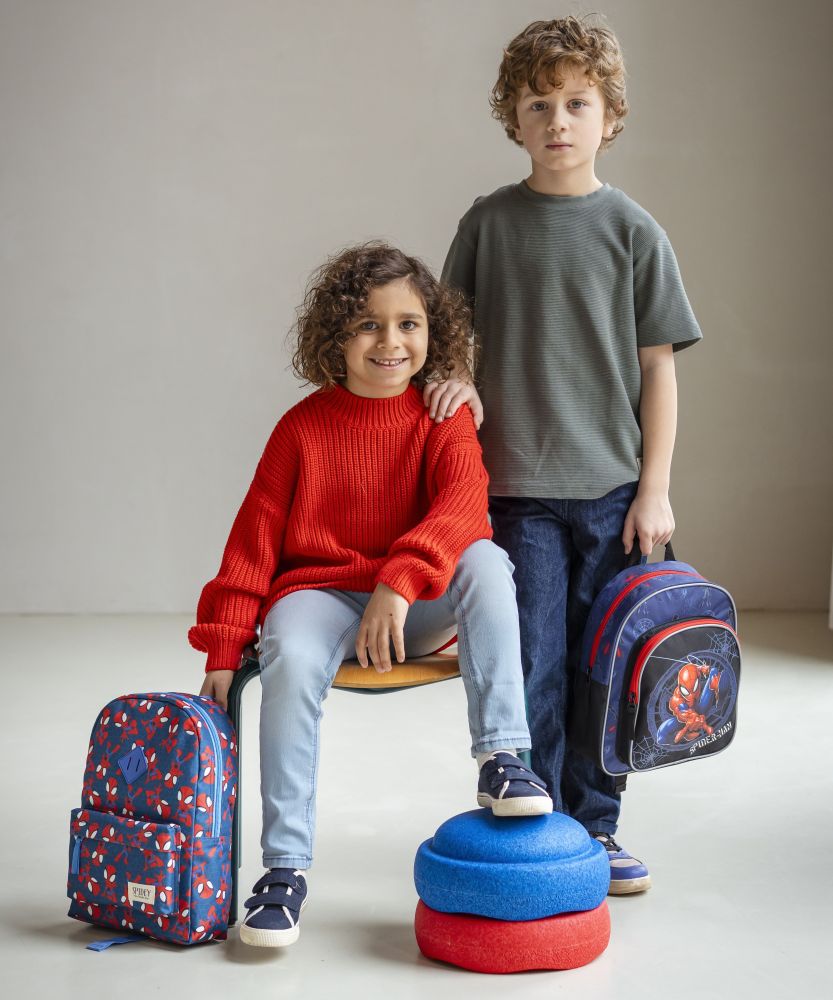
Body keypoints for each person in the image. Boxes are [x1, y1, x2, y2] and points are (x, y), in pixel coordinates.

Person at [189, 243, 551, 948]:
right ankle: (283, 870)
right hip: (324, 596)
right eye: (368, 325)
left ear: (432, 332)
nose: (390, 342)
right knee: (290, 654)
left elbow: (464, 507)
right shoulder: (300, 428)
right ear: (336, 336)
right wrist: (225, 646)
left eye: (408, 324)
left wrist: (398, 578)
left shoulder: (441, 416)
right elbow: (252, 542)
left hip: (416, 605)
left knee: (485, 558)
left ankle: (502, 758)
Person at [426, 15, 702, 894]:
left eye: (576, 103)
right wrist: (457, 379)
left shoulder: (633, 231)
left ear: (609, 115)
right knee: (531, 664)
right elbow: (449, 338)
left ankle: (596, 827)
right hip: (515, 493)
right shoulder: (487, 224)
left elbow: (657, 371)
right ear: (511, 117)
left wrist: (654, 490)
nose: (557, 121)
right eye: (537, 104)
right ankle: (535, 823)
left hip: (614, 494)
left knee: (603, 668)